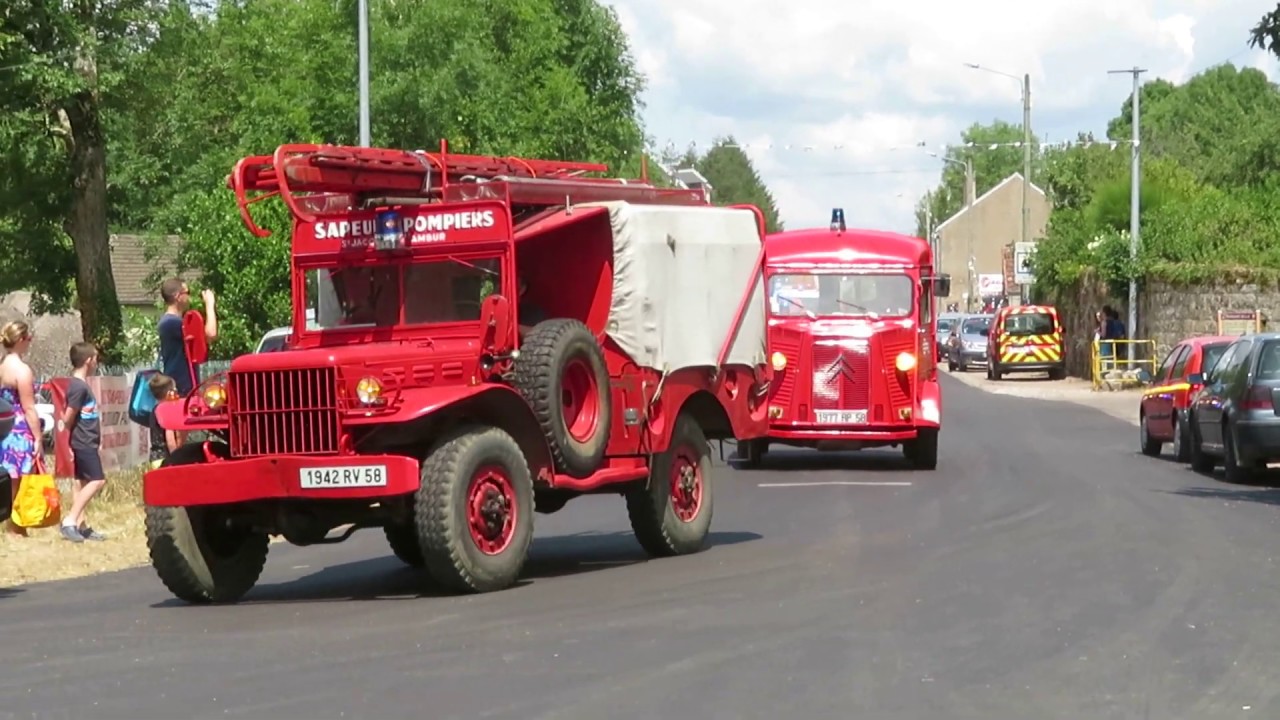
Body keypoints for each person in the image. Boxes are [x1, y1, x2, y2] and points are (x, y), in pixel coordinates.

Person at [60, 342, 107, 542]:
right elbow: (68, 418)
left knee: (81, 482)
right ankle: (69, 521)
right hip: (83, 441)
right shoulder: (79, 387)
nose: (96, 361)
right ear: (88, 361)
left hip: (86, 440)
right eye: (95, 357)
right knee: (97, 480)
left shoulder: (81, 385)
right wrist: (66, 441)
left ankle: (81, 525)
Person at [0, 321, 42, 537]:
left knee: (7, 477)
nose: (30, 343)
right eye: (28, 339)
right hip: (18, 428)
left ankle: (11, 523)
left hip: (2, 425)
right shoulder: (22, 370)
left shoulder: (1, 366)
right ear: (20, 340)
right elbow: (29, 408)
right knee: (20, 478)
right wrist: (38, 438)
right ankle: (16, 526)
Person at [158, 277, 218, 397]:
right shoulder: (171, 323)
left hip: (185, 385)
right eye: (187, 293)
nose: (189, 297)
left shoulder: (174, 322)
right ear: (177, 296)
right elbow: (211, 334)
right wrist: (210, 305)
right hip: (179, 386)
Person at [147, 373, 184, 469]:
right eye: (175, 390)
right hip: (165, 459)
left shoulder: (155, 410)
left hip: (155, 458)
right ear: (169, 393)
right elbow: (170, 439)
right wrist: (176, 459)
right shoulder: (167, 411)